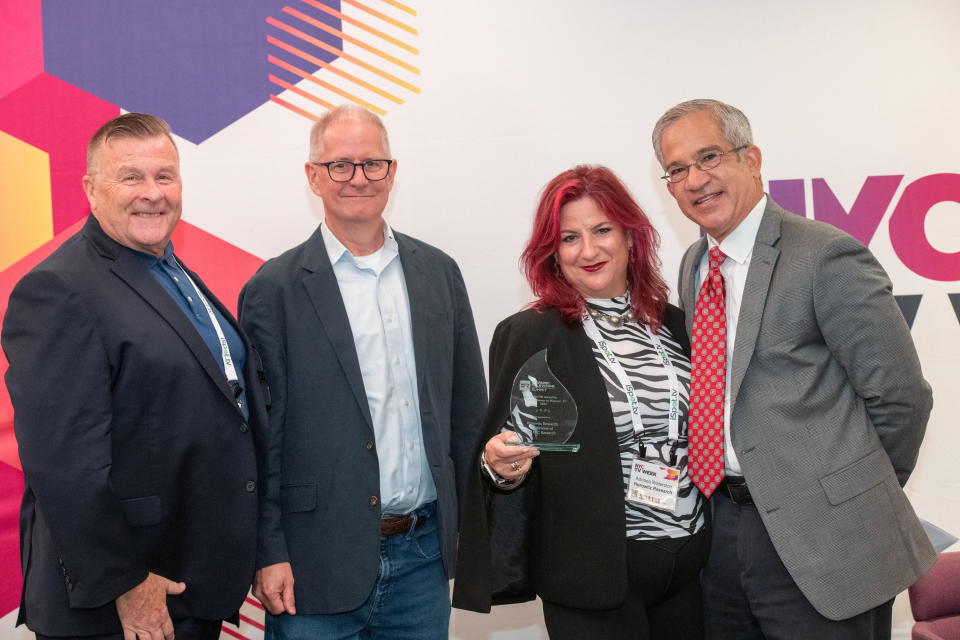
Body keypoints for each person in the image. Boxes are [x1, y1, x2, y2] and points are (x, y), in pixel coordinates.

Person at [652, 98, 935, 639]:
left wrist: (845, 493)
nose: (695, 179)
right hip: (723, 528)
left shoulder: (824, 255)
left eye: (709, 156)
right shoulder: (694, 264)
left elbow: (901, 398)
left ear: (752, 159)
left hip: (825, 539)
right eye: (678, 169)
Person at [1, 113, 267, 639]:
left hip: (187, 580)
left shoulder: (170, 271)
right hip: (125, 601)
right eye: (131, 177)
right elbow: (63, 465)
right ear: (91, 190)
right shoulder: (59, 290)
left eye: (164, 176)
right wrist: (128, 583)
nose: (152, 193)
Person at [238, 104, 487, 639]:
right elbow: (259, 439)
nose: (358, 178)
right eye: (340, 165)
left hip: (422, 558)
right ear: (313, 176)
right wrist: (269, 550)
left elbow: (467, 412)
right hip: (310, 566)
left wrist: (470, 531)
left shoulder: (439, 273)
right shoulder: (272, 290)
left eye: (373, 164)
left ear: (392, 172)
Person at [453, 165, 708, 639]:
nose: (588, 250)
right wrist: (498, 466)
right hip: (591, 578)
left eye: (602, 230)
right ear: (552, 253)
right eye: (569, 238)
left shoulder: (678, 323)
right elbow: (501, 449)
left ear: (631, 237)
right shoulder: (529, 334)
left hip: (693, 570)